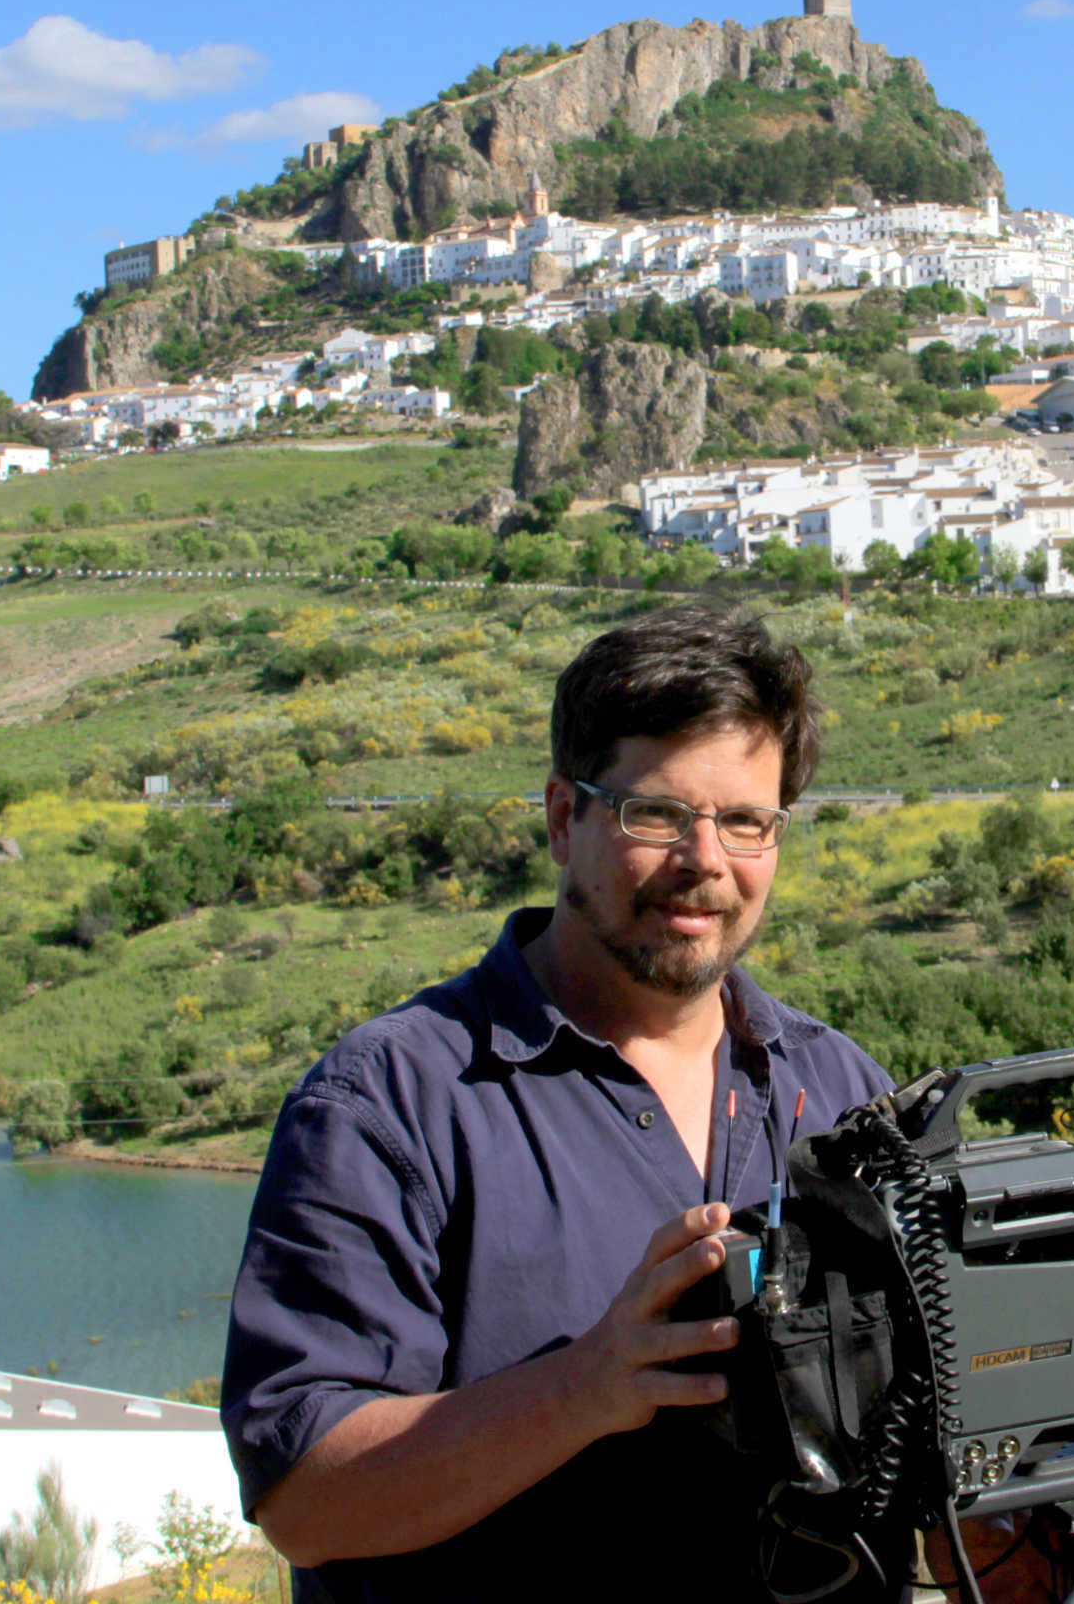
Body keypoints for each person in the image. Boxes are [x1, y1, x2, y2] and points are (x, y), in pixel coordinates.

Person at [222, 602, 893, 1602]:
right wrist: (583, 1388)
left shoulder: (842, 1094)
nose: (704, 860)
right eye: (655, 813)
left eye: (746, 820)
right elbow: (303, 1495)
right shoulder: (389, 1103)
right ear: (560, 815)